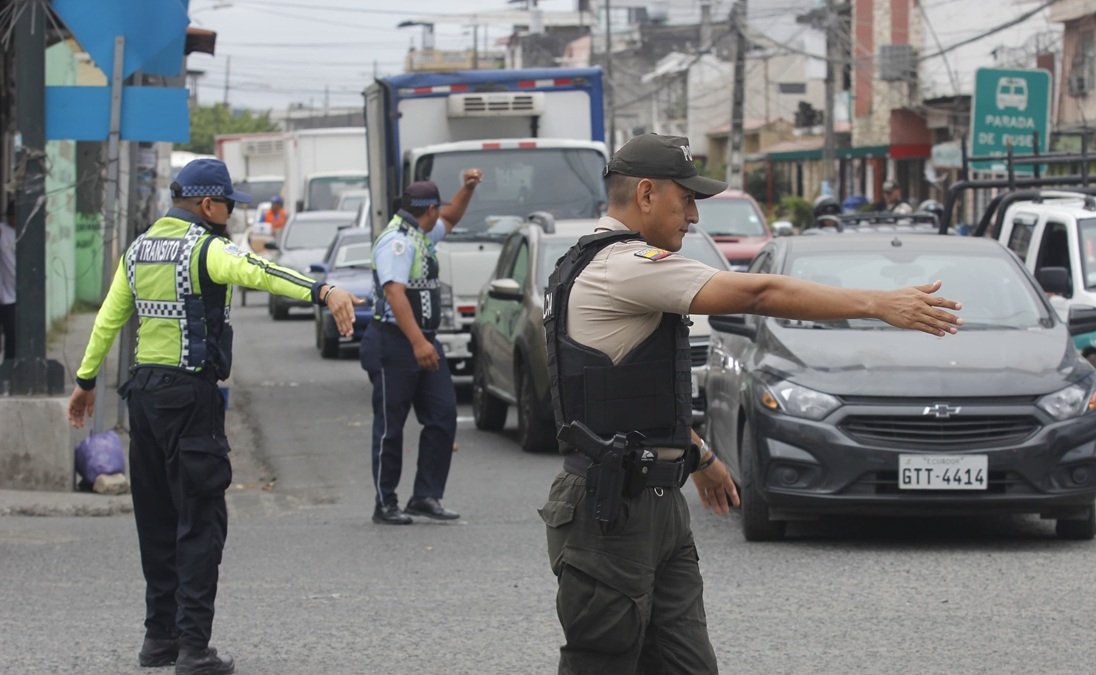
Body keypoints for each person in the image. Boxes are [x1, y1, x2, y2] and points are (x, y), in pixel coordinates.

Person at [540, 134, 962, 673]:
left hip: (653, 499)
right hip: (611, 511)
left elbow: (623, 403)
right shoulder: (622, 266)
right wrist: (878, 303)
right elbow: (757, 295)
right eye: (686, 198)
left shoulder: (610, 266)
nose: (693, 215)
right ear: (646, 194)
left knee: (687, 665)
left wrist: (702, 458)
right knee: (603, 664)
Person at [65, 159, 360, 675]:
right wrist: (322, 289)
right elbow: (259, 271)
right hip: (189, 399)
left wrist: (86, 381)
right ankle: (193, 648)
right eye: (227, 205)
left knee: (156, 521)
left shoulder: (138, 249)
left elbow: (110, 315)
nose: (230, 215)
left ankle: (159, 639)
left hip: (145, 398)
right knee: (200, 520)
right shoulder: (207, 248)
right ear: (206, 204)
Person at [361, 171, 483, 525]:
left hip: (423, 340)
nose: (441, 215)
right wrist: (418, 342)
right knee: (391, 426)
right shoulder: (398, 242)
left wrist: (468, 188)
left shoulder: (422, 232)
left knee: (443, 415)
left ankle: (426, 495)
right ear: (428, 209)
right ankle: (385, 502)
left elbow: (452, 216)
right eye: (438, 208)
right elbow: (394, 292)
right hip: (395, 344)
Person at [0, 200, 15, 362]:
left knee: (15, 339)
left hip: (19, 296)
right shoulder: (3, 231)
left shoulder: (24, 232)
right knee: (10, 338)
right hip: (6, 296)